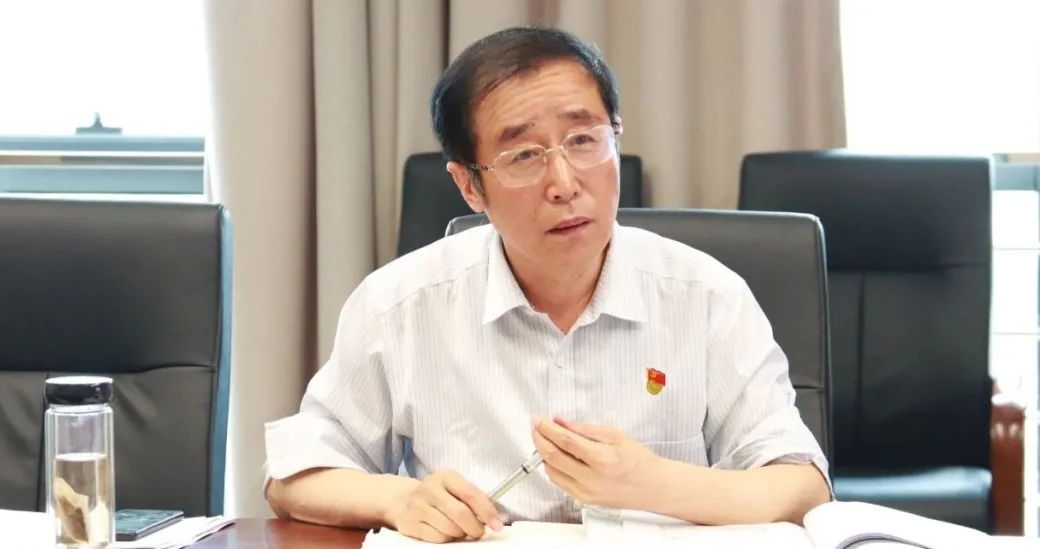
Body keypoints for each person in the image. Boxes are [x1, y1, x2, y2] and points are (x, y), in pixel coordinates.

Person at [265, 26, 831, 544]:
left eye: (584, 140)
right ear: (469, 186)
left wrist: (650, 482)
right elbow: (293, 474)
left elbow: (802, 485)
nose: (564, 183)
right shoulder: (400, 304)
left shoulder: (707, 296)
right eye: (524, 155)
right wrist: (398, 498)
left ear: (616, 138)